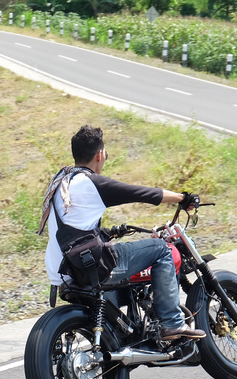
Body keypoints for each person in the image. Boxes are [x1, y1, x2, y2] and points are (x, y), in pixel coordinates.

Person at [37, 125, 206, 340]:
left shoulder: (61, 181)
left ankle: (124, 334)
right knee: (163, 250)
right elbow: (143, 193)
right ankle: (171, 324)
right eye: (105, 154)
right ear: (99, 155)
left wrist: (107, 233)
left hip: (61, 272)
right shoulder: (91, 183)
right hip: (88, 267)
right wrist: (183, 198)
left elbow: (76, 227)